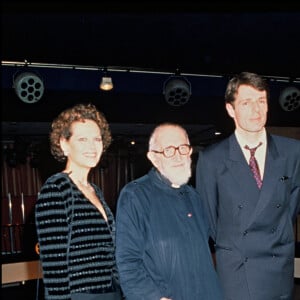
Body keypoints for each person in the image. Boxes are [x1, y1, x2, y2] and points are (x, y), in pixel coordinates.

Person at [196, 71, 300, 300]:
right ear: (230, 109)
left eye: (261, 101)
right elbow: (209, 221)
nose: (256, 110)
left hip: (279, 270)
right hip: (237, 274)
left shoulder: (293, 152)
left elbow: (289, 209)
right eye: (247, 102)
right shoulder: (212, 159)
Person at [115, 122, 223, 300]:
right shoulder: (136, 196)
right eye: (169, 150)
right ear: (153, 158)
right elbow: (127, 262)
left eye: (182, 148)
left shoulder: (194, 197)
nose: (178, 157)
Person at [35, 103, 122, 300]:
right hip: (80, 296)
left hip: (110, 293)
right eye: (82, 139)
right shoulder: (56, 189)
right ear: (64, 144)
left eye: (97, 139)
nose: (92, 147)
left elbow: (109, 252)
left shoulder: (95, 191)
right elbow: (54, 266)